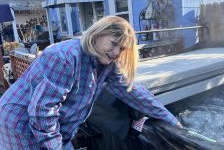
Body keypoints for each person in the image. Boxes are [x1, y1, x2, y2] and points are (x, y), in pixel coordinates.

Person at [0, 16, 181, 150]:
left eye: (122, 48)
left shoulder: (106, 62)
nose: (117, 52)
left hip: (52, 127)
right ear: (98, 34)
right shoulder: (64, 57)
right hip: (19, 124)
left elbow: (132, 92)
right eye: (114, 43)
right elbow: (42, 113)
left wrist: (171, 120)